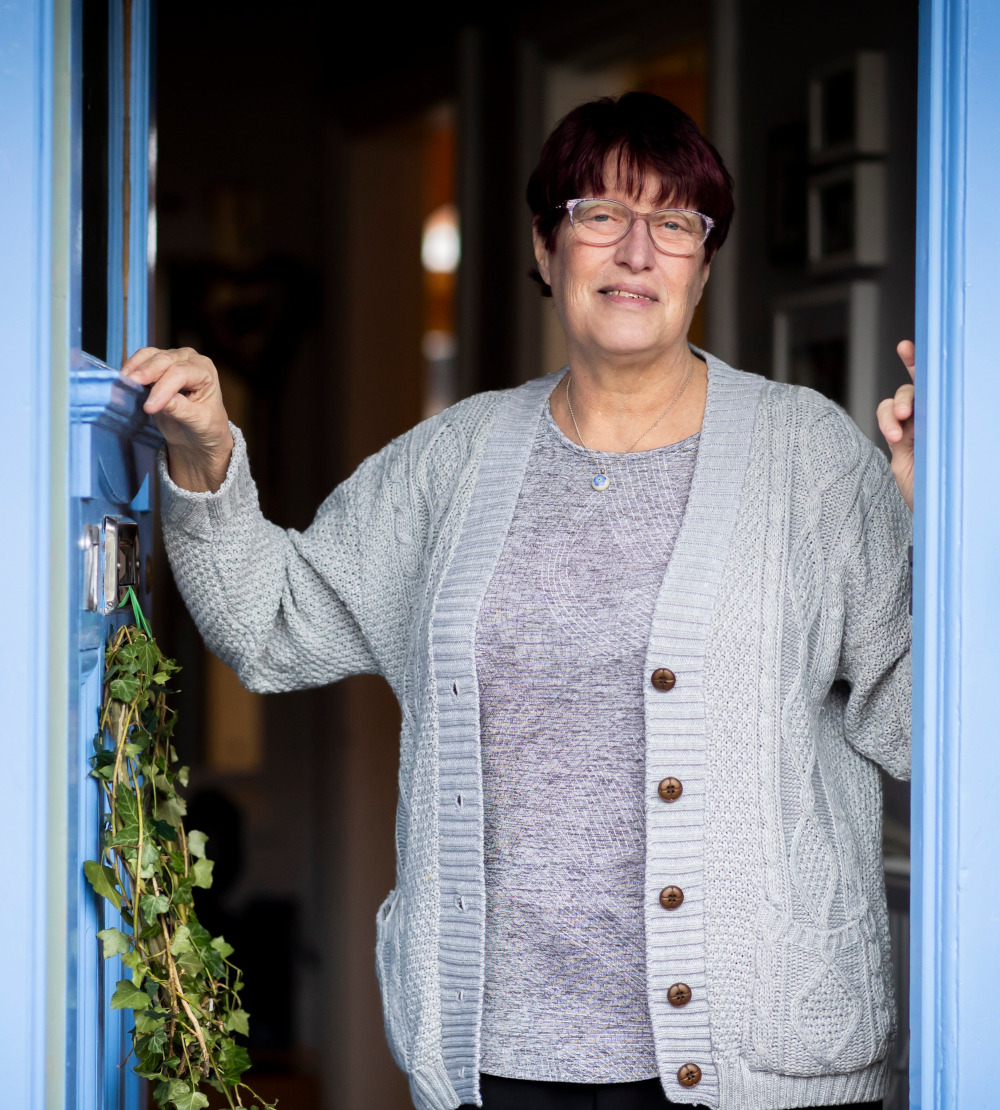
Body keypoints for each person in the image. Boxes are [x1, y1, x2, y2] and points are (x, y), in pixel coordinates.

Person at [126, 93, 916, 1110]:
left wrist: (946, 538)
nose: (636, 249)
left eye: (674, 222)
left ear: (704, 264)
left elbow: (919, 727)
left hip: (758, 1061)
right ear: (545, 249)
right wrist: (207, 456)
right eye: (599, 213)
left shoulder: (809, 456)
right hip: (498, 1061)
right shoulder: (453, 460)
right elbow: (274, 626)